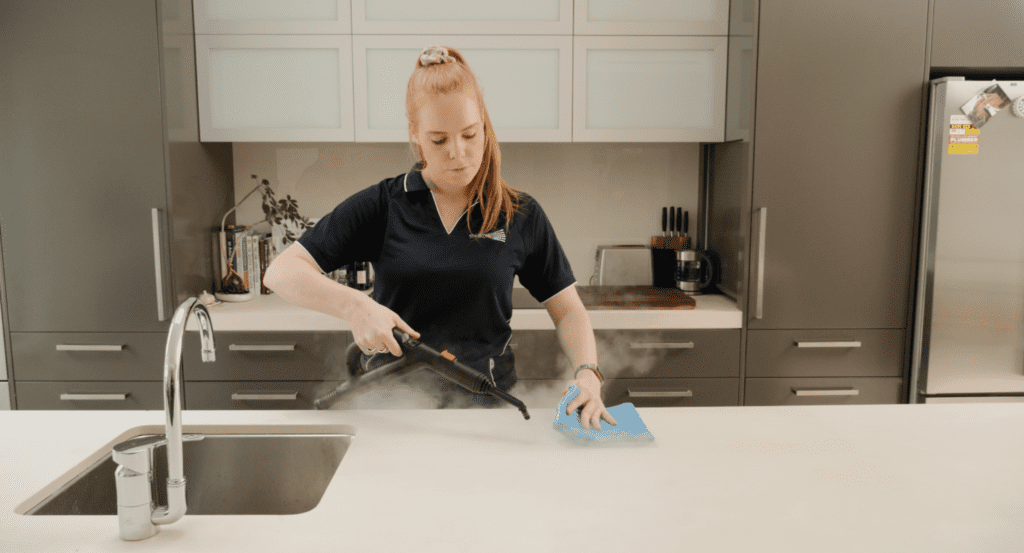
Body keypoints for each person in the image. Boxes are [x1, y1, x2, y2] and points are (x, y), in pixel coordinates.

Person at [264, 45, 616, 431]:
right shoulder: (384, 205)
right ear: (414, 134)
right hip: (392, 412)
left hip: (490, 413)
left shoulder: (519, 213)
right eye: (438, 140)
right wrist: (355, 307)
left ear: (484, 123)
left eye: (469, 134)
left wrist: (588, 373)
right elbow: (281, 272)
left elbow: (567, 310)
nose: (458, 153)